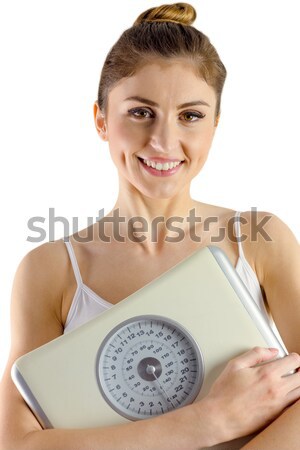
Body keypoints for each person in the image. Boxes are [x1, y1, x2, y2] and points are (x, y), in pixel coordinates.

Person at [0, 3, 300, 449]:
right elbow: (17, 443)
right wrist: (211, 421)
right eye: (141, 112)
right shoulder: (52, 270)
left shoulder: (259, 240)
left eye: (191, 116)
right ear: (101, 119)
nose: (163, 141)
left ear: (215, 125)